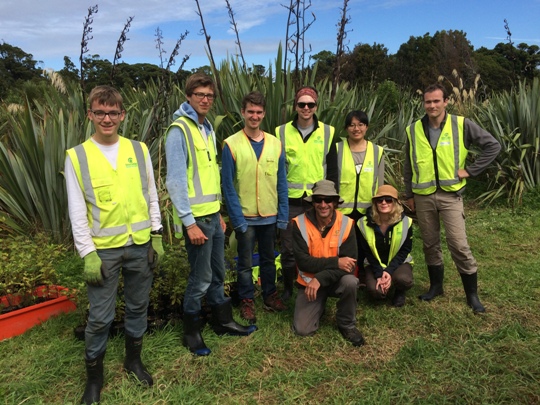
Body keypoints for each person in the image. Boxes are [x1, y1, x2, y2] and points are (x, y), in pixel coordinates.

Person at [65, 85, 163, 405]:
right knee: (100, 317)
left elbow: (151, 194)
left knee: (137, 307)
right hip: (103, 252)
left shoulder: (139, 149)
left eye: (113, 112)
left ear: (122, 115)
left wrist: (157, 234)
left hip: (139, 245)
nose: (107, 118)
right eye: (100, 112)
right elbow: (77, 211)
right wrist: (88, 254)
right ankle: (94, 378)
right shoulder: (76, 156)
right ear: (90, 115)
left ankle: (133, 361)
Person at [165, 73, 256, 357]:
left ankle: (223, 321)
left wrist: (217, 212)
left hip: (212, 217)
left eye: (209, 96)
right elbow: (176, 181)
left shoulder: (206, 129)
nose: (205, 100)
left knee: (218, 273)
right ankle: (191, 333)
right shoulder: (179, 130)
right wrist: (189, 223)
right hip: (197, 222)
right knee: (200, 278)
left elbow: (207, 175)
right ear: (188, 96)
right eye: (199, 95)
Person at [403, 83, 501, 313]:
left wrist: (471, 170)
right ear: (423, 103)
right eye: (428, 101)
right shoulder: (413, 129)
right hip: (423, 196)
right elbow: (408, 165)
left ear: (446, 101)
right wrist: (409, 195)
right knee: (429, 244)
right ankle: (436, 287)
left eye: (437, 101)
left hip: (451, 196)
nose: (432, 105)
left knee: (458, 244)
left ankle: (472, 295)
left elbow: (492, 146)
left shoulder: (461, 124)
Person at [222, 91, 289, 323]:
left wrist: (283, 216)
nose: (254, 116)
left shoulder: (275, 144)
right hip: (246, 216)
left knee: (269, 259)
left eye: (259, 112)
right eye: (250, 111)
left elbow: (281, 183)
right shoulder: (231, 144)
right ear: (243, 112)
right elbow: (228, 186)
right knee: (245, 263)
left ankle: (270, 295)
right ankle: (247, 300)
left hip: (270, 216)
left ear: (264, 113)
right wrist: (237, 219)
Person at [275, 86, 338, 301]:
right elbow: (277, 169)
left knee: (317, 245)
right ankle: (287, 288)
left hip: (317, 200)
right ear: (296, 106)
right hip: (290, 201)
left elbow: (332, 169)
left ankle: (316, 284)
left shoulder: (327, 132)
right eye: (301, 104)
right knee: (289, 248)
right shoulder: (281, 132)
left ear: (316, 107)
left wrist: (331, 200)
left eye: (310, 104)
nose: (306, 108)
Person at [291, 180, 365, 346]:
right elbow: (303, 263)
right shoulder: (299, 223)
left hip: (332, 280)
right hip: (309, 283)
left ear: (335, 203)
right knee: (303, 330)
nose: (323, 204)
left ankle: (346, 324)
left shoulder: (347, 224)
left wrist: (320, 279)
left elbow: (349, 265)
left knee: (350, 281)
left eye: (328, 200)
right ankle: (319, 304)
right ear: (313, 202)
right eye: (318, 200)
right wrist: (336, 262)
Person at [336, 110, 385, 284]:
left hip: (367, 209)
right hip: (343, 208)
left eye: (360, 124)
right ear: (346, 128)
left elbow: (380, 184)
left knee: (365, 243)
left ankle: (364, 275)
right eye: (352, 125)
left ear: (367, 127)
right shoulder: (337, 149)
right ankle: (347, 275)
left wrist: (379, 207)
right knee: (344, 244)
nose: (356, 128)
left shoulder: (377, 151)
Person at [357, 185, 413, 307]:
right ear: (375, 203)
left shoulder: (406, 222)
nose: (384, 203)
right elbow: (367, 252)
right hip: (374, 263)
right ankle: (385, 283)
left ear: (395, 203)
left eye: (388, 200)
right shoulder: (363, 223)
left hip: (398, 262)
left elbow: (405, 250)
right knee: (375, 292)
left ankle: (399, 289)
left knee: (403, 280)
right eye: (380, 200)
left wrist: (388, 271)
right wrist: (378, 274)